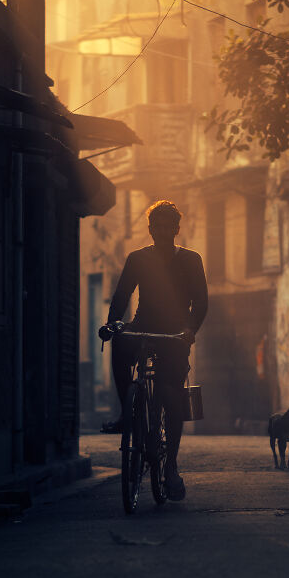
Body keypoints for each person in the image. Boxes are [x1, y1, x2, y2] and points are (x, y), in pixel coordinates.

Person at [99, 200, 208, 500]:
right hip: (143, 324)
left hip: (174, 333)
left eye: (167, 226)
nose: (161, 231)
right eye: (156, 226)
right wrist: (112, 324)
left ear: (176, 229)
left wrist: (190, 329)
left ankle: (170, 465)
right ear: (149, 229)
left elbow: (201, 302)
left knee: (171, 396)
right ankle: (127, 411)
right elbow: (122, 295)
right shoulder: (137, 259)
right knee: (120, 343)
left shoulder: (190, 260)